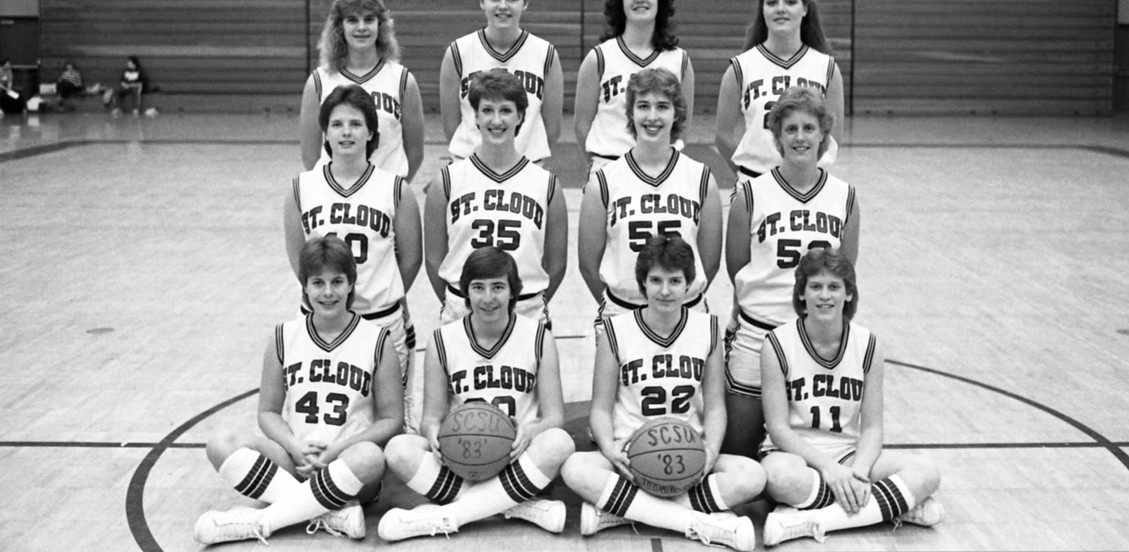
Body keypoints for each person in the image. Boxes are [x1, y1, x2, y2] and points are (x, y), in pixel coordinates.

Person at [193, 236, 404, 545]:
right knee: (220, 443)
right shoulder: (283, 336)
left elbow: (391, 419)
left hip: (349, 464)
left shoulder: (377, 340)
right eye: (318, 282)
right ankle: (330, 513)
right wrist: (293, 446)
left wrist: (335, 451)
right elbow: (267, 412)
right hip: (294, 460)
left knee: (371, 457)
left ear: (351, 284)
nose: (328, 292)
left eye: (337, 281)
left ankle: (261, 521)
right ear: (304, 285)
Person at [561, 236, 766, 552]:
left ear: (689, 284)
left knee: (752, 475)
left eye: (675, 280)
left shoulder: (707, 328)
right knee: (575, 468)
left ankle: (625, 513)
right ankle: (695, 521)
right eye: (655, 280)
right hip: (631, 456)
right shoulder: (616, 330)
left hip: (690, 453)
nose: (665, 290)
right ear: (642, 284)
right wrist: (610, 447)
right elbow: (600, 409)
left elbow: (714, 406)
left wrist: (711, 449)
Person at [377, 247, 575, 540]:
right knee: (398, 449)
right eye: (478, 287)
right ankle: (517, 507)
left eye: (498, 287)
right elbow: (431, 417)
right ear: (466, 293)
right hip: (462, 461)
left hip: (517, 459)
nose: (488, 297)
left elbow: (555, 416)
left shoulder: (537, 336)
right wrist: (433, 434)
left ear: (513, 291)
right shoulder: (443, 339)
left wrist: (530, 432)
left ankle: (448, 515)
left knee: (560, 443)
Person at [759, 249, 943, 546]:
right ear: (802, 294)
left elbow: (872, 428)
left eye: (834, 287)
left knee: (927, 473)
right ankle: (889, 507)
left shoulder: (868, 344)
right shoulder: (777, 344)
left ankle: (810, 521)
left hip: (847, 453)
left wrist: (857, 472)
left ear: (848, 294)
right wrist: (829, 470)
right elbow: (778, 429)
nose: (825, 295)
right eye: (815, 286)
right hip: (795, 456)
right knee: (779, 479)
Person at [721, 86, 860, 459]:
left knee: (813, 453)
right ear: (778, 137)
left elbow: (845, 271)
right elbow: (736, 267)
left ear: (823, 135)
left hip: (811, 339)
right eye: (791, 129)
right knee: (737, 452)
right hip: (758, 333)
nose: (800, 137)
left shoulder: (844, 196)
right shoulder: (750, 195)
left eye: (809, 128)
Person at [284, 84, 423, 409]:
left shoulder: (395, 189)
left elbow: (412, 258)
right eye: (337, 124)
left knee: (388, 423)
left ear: (372, 131)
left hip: (379, 320)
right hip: (322, 320)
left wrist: (380, 292)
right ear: (325, 132)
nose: (346, 132)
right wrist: (327, 297)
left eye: (356, 124)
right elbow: (298, 259)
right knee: (321, 421)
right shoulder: (301, 188)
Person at [577, 67, 721, 323]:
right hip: (623, 313)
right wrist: (620, 309)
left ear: (676, 114)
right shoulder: (604, 181)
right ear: (630, 112)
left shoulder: (701, 179)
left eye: (662, 107)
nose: (652, 116)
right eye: (643, 106)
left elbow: (709, 263)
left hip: (686, 313)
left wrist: (674, 302)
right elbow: (588, 265)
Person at [424, 69, 568, 326]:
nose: (496, 120)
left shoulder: (546, 184)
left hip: (526, 310)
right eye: (487, 110)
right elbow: (434, 258)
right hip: (463, 309)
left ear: (521, 115)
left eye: (505, 110)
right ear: (476, 117)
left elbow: (557, 264)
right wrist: (458, 301)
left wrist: (529, 302)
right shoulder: (447, 181)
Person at [714, 0, 845, 193]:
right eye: (772, 2)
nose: (780, 8)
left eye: (791, 1)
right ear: (762, 9)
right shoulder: (740, 67)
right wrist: (748, 174)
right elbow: (722, 136)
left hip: (808, 187)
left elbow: (832, 137)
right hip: (754, 184)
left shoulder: (827, 68)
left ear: (804, 9)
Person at [573, 0, 695, 175]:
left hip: (663, 170)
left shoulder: (679, 60)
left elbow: (682, 128)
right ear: (620, 4)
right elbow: (581, 126)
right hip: (609, 166)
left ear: (660, 2)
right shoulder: (599, 58)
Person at [439, 0, 564, 163]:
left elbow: (553, 129)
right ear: (482, 1)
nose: (503, 6)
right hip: (469, 166)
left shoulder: (545, 54)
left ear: (525, 2)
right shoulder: (458, 52)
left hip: (526, 167)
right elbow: (450, 126)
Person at [299, 0, 424, 182]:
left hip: (386, 196)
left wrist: (393, 190)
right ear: (339, 27)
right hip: (335, 198)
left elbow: (415, 153)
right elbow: (309, 154)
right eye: (352, 20)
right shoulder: (318, 81)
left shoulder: (403, 80)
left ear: (380, 25)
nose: (361, 27)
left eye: (369, 19)